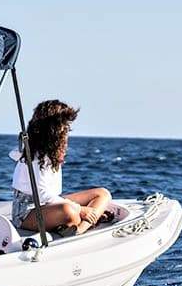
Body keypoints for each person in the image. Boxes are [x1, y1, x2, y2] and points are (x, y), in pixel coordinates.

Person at [10, 100, 112, 236]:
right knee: (69, 211)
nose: (67, 131)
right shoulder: (33, 156)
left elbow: (50, 198)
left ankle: (81, 227)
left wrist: (78, 209)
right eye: (65, 127)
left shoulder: (51, 153)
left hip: (48, 205)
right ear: (53, 131)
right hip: (26, 213)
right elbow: (42, 194)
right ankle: (82, 224)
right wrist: (80, 209)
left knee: (103, 194)